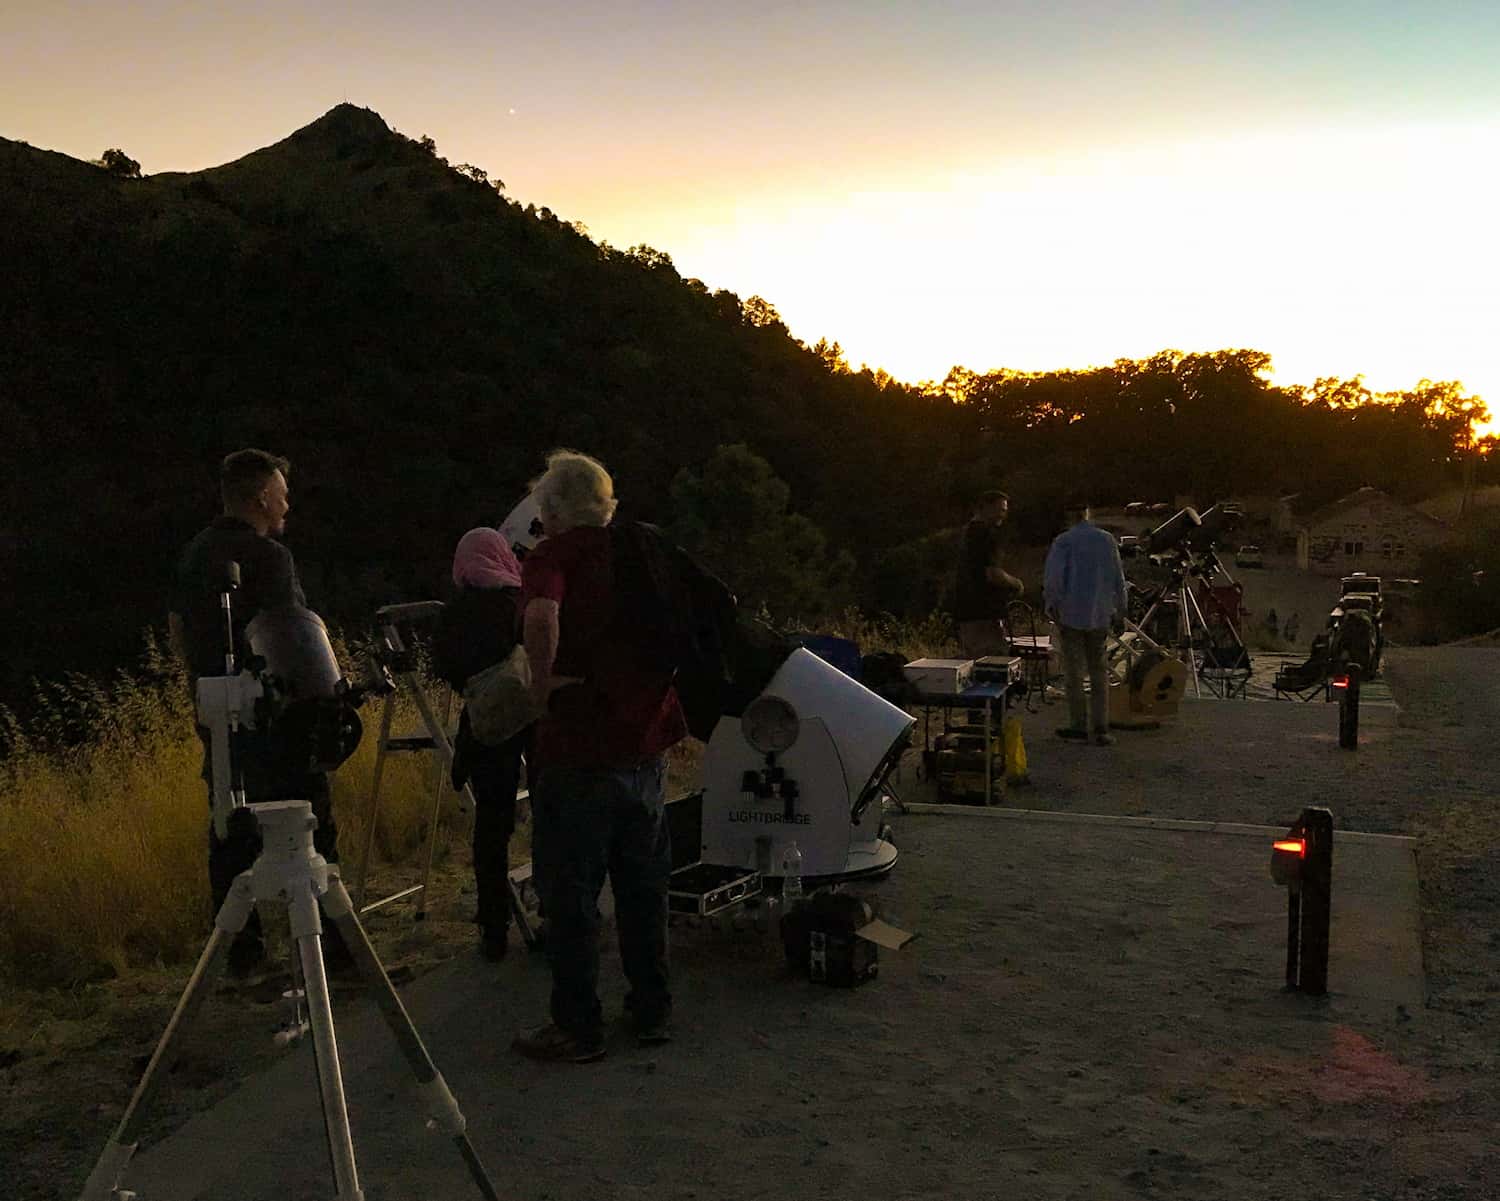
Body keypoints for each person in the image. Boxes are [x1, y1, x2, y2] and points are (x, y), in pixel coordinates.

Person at [513, 450, 685, 1063]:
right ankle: (651, 1010)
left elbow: (541, 616)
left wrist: (541, 686)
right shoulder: (642, 549)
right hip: (646, 744)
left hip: (580, 747)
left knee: (572, 893)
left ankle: (578, 1026)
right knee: (643, 889)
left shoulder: (555, 556)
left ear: (555, 508)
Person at [168, 448, 345, 977]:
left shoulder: (194, 553)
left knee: (231, 828)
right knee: (312, 826)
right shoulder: (270, 557)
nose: (287, 505)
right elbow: (292, 635)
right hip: (277, 718)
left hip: (218, 710)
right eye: (282, 495)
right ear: (263, 497)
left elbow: (178, 630)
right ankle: (332, 954)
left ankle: (240, 958)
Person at [438, 527, 529, 961]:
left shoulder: (454, 613)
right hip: (531, 721)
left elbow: (446, 667)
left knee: (491, 829)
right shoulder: (517, 602)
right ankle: (558, 908)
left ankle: (493, 926)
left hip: (486, 727)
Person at [1043, 496, 1128, 748]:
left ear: (1070, 516)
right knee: (1099, 672)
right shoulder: (1107, 540)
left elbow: (1054, 579)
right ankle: (1101, 726)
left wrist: (1052, 606)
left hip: (1070, 614)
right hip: (1100, 613)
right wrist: (1120, 610)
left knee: (1074, 673)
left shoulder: (1064, 542)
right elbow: (1118, 578)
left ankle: (1078, 725)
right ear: (1088, 514)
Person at [953, 490, 1025, 659]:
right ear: (985, 507)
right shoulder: (986, 535)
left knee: (975, 661)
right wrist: (1016, 584)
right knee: (993, 662)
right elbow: (992, 574)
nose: (1003, 515)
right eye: (1000, 510)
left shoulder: (966, 533)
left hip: (966, 611)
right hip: (984, 613)